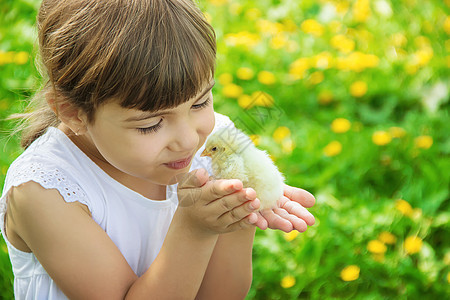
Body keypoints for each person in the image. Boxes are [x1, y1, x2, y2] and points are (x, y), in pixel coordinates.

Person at [0, 0, 316, 299]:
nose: (189, 140)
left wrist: (236, 213)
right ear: (72, 113)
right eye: (150, 125)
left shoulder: (216, 144)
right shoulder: (44, 193)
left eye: (201, 102)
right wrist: (194, 229)